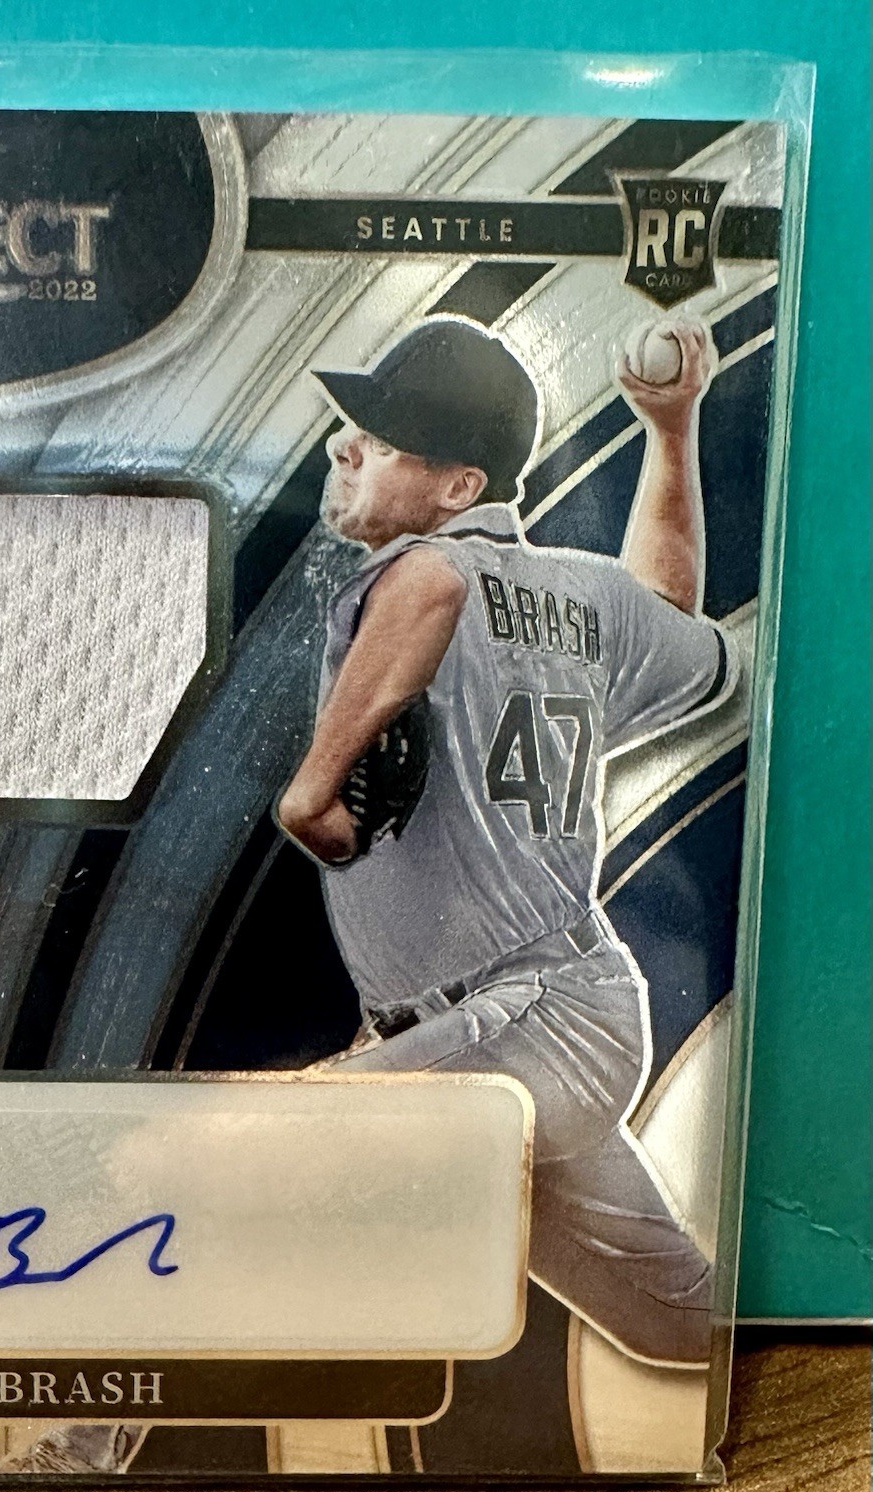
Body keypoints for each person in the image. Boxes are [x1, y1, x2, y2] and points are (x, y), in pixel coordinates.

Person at [278, 313, 733, 1368]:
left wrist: (310, 798)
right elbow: (668, 609)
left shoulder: (418, 570)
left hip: (520, 1019)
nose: (346, 446)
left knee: (272, 1152)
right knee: (682, 1326)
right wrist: (670, 434)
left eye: (382, 438)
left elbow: (433, 590)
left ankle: (87, 1432)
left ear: (458, 487)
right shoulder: (585, 596)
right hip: (551, 1015)